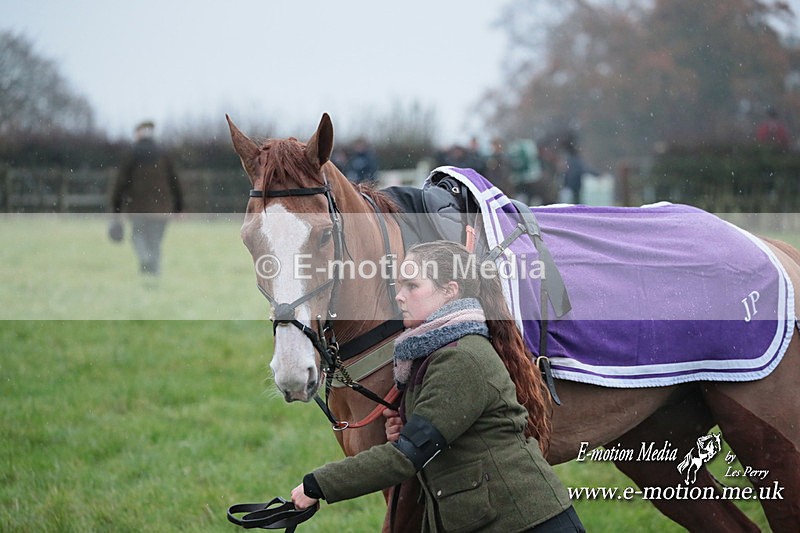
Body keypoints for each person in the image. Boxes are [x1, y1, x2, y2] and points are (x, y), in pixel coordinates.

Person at [291, 241, 584, 532]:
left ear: (450, 291)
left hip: (527, 523)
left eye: (411, 286)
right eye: (398, 286)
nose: (400, 297)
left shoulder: (460, 358)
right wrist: (409, 424)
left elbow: (407, 456)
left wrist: (318, 485)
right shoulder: (435, 352)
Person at [110, 120, 183, 276]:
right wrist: (178, 207)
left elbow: (120, 183)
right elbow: (175, 182)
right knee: (155, 242)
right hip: (161, 209)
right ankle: (153, 275)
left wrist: (116, 208)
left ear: (140, 133)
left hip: (138, 207)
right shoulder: (164, 153)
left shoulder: (132, 153)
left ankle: (145, 261)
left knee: (138, 237)